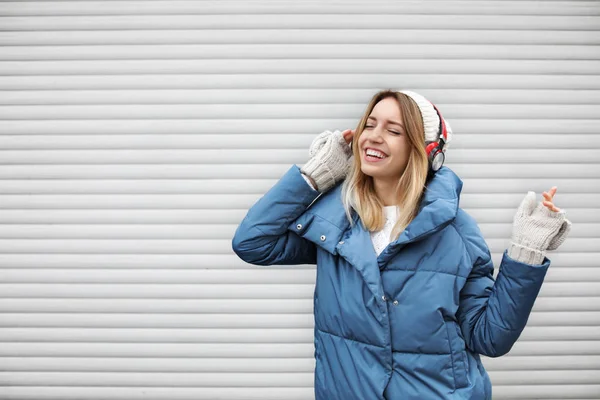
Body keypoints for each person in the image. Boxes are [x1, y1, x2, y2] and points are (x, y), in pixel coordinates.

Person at [231, 89, 572, 399]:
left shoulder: (457, 233)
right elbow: (253, 242)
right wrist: (314, 175)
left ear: (425, 151)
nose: (373, 137)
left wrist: (526, 254)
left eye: (394, 131)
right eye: (370, 124)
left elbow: (490, 338)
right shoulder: (335, 223)